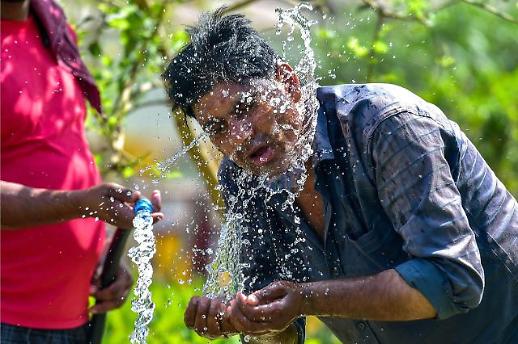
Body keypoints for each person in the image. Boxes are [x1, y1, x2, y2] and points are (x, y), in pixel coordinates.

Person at [162, 8, 518, 344]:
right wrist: (248, 319)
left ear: (287, 82)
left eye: (246, 107)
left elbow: (453, 279)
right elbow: (282, 332)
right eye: (217, 127)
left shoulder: (386, 127)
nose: (238, 135)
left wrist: (306, 299)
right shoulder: (243, 179)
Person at [0, 0, 163, 342]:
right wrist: (82, 203)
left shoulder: (51, 24)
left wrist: (103, 258)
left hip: (74, 317)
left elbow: (59, 145)